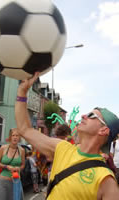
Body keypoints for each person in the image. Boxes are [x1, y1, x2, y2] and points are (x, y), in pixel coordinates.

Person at [15, 72, 119, 200]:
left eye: (92, 116)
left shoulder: (106, 179)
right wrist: (22, 92)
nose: (83, 116)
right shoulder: (62, 147)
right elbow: (24, 129)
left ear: (103, 130)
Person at [0, 128, 25, 200]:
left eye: (17, 135)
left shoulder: (22, 150)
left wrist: (19, 168)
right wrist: (6, 167)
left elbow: (23, 165)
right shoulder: (3, 148)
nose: (15, 137)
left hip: (16, 182)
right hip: (3, 182)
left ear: (19, 138)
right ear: (10, 137)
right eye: (13, 135)